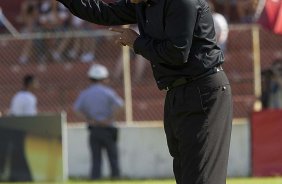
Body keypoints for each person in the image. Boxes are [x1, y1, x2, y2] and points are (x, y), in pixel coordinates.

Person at [57, 0, 233, 183]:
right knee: (185, 174)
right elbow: (103, 12)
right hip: (176, 91)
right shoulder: (143, 4)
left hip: (203, 90)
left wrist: (137, 42)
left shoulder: (181, 3)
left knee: (201, 177)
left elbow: (178, 53)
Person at [73, 64, 124, 180]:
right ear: (103, 79)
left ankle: (95, 178)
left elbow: (76, 109)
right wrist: (110, 119)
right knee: (113, 157)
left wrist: (89, 120)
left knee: (96, 158)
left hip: (94, 129)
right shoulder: (108, 92)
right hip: (108, 128)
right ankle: (115, 177)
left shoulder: (85, 93)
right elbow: (121, 105)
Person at [0, 75, 38, 181]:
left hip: (13, 127)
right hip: (21, 129)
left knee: (16, 153)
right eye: (35, 82)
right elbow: (30, 117)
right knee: (20, 153)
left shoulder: (17, 96)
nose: (37, 85)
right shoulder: (30, 98)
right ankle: (25, 177)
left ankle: (15, 176)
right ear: (30, 84)